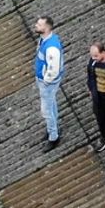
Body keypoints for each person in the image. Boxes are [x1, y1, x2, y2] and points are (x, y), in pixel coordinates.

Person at [34, 16, 64, 152]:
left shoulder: (51, 48)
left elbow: (53, 68)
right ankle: (53, 129)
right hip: (46, 81)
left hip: (48, 83)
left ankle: (53, 136)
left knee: (46, 111)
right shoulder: (45, 40)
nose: (36, 25)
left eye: (39, 24)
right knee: (51, 105)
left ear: (46, 28)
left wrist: (46, 80)